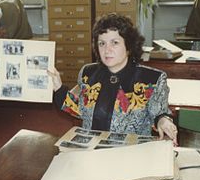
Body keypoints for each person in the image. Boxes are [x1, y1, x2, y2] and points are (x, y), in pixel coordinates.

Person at [48, 13, 178, 145]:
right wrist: (59, 88)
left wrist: (163, 120)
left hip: (131, 154)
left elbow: (159, 114)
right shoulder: (88, 73)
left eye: (114, 43)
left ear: (129, 45)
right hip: (91, 151)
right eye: (102, 43)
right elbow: (81, 110)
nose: (107, 50)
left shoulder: (152, 79)